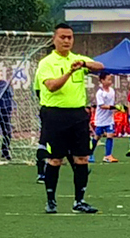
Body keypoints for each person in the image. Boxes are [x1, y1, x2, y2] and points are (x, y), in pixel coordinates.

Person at [35, 23, 102, 213]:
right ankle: (51, 201)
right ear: (54, 39)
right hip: (55, 115)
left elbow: (100, 66)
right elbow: (52, 86)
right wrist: (70, 72)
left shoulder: (78, 59)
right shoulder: (47, 63)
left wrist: (85, 64)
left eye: (70, 37)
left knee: (82, 158)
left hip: (78, 115)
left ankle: (79, 201)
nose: (66, 41)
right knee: (55, 159)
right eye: (62, 37)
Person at [92, 73, 119, 162]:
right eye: (108, 79)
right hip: (100, 119)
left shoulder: (112, 91)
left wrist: (117, 109)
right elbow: (102, 106)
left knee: (110, 135)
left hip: (109, 119)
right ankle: (89, 154)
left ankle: (108, 155)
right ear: (102, 81)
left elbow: (111, 104)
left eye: (110, 79)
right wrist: (113, 107)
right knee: (97, 137)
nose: (110, 82)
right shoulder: (100, 93)